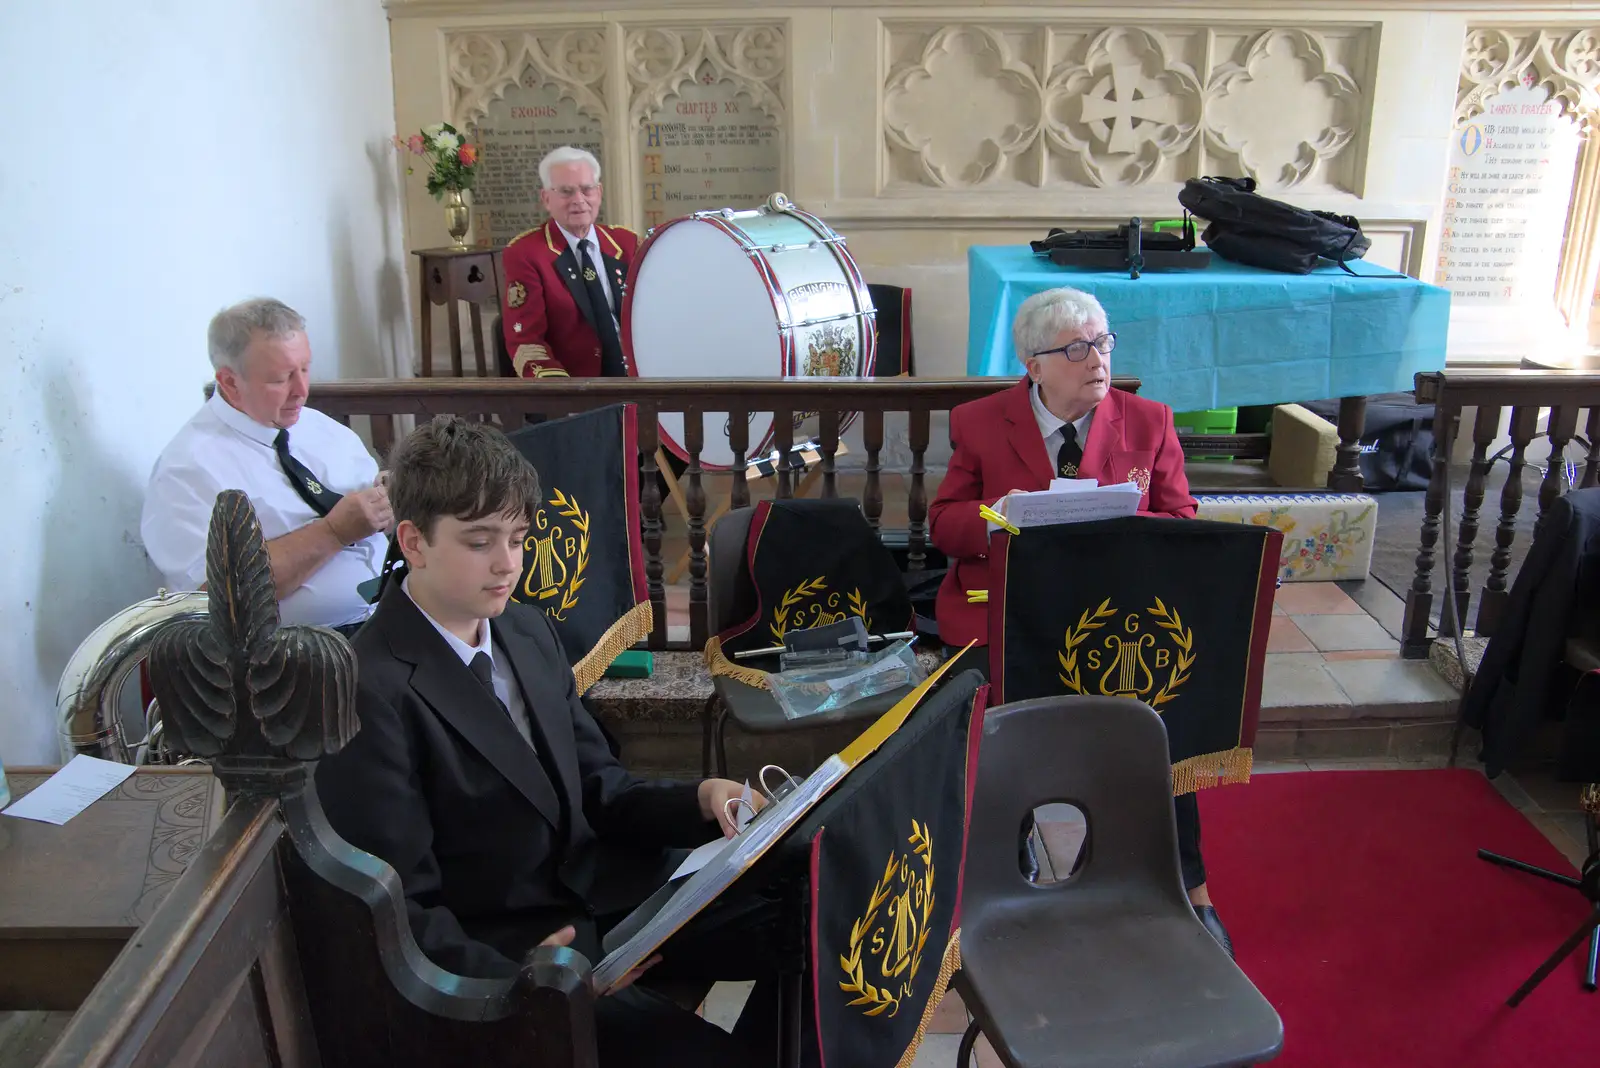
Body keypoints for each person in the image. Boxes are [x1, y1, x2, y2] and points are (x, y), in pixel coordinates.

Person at [314, 415, 782, 1066]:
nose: (508, 563)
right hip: (516, 959)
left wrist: (700, 799)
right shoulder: (372, 689)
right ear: (414, 542)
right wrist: (526, 982)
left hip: (604, 902)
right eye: (480, 542)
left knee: (797, 916)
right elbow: (402, 913)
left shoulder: (526, 632)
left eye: (517, 537)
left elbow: (599, 787)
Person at [928, 286, 1234, 956]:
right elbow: (944, 525)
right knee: (985, 715)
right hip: (1006, 612)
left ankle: (1187, 884)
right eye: (1075, 349)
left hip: (1108, 618)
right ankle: (1005, 865)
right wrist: (997, 514)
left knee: (1164, 715)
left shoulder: (1148, 421)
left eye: (1102, 343)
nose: (1096, 360)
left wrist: (1130, 525)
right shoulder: (982, 422)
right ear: (1033, 364)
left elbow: (1183, 523)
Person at [141, 298, 390, 636]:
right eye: (280, 379)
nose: (302, 391)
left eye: (305, 368)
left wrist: (392, 499)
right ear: (229, 382)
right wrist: (334, 532)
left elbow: (372, 514)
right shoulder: (188, 469)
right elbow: (214, 597)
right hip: (283, 656)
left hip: (387, 616)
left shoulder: (323, 430)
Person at [500, 146, 638, 380]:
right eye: (566, 192)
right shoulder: (526, 254)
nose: (579, 200)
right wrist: (565, 394)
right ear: (546, 198)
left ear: (599, 193)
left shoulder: (626, 244)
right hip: (574, 388)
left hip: (639, 383)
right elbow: (528, 343)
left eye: (587, 190)